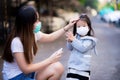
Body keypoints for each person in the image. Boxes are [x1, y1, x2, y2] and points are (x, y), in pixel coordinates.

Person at [2, 6, 76, 80]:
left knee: (58, 67)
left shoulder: (33, 34)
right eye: (36, 20)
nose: (39, 23)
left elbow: (50, 37)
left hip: (29, 74)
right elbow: (26, 69)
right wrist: (50, 60)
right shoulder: (17, 41)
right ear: (28, 23)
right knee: (52, 65)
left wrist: (68, 26)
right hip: (15, 77)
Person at [65, 14, 97, 80]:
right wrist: (69, 41)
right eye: (79, 26)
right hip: (72, 66)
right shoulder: (76, 37)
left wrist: (73, 40)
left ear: (89, 27)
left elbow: (82, 48)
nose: (81, 28)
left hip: (83, 68)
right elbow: (70, 48)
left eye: (84, 26)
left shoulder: (90, 40)